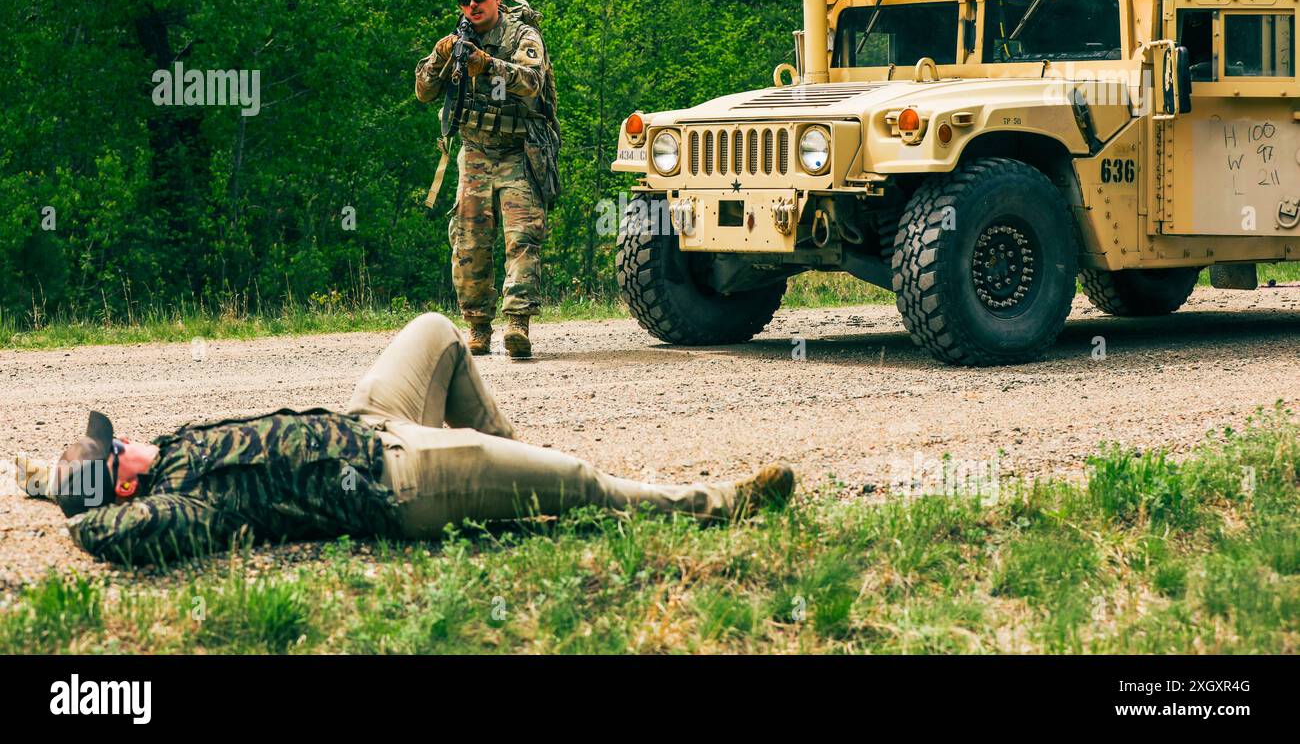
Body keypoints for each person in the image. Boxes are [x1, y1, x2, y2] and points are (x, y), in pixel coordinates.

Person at [13, 313, 794, 565]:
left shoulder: (166, 454)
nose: (129, 443)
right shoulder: (179, 508)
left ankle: (523, 466)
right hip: (402, 482)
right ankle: (713, 505)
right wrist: (76, 507)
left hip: (368, 422)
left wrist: (52, 474)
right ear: (123, 485)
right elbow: (113, 535)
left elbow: (96, 478)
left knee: (438, 331)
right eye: (118, 453)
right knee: (584, 482)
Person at [415, 0, 554, 359]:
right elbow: (424, 92)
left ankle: (517, 323)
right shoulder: (459, 40)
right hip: (475, 152)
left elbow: (531, 81)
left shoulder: (522, 35)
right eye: (464, 0)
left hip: (520, 150)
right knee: (469, 240)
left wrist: (487, 64)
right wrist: (440, 57)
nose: (472, 5)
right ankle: (477, 326)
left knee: (522, 238)